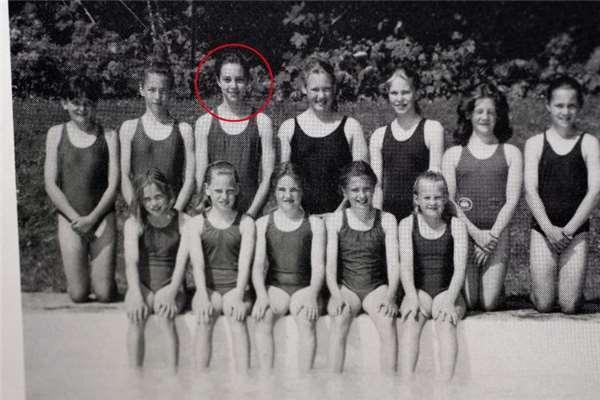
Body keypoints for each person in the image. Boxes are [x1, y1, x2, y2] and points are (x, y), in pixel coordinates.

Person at [442, 83, 522, 310]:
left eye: (491, 112)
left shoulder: (511, 153)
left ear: (499, 116)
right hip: (465, 233)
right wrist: (476, 234)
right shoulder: (454, 154)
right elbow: (449, 201)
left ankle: (496, 285)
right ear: (468, 114)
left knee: (488, 303)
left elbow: (512, 200)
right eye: (479, 111)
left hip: (497, 234)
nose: (485, 117)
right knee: (469, 301)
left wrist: (492, 237)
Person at [524, 75, 600, 314]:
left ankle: (574, 290)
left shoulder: (588, 143)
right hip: (543, 229)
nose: (565, 112)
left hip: (575, 230)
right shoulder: (535, 143)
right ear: (548, 105)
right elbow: (530, 191)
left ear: (579, 107)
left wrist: (569, 231)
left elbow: (595, 191)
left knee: (569, 305)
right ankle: (537, 290)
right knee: (544, 304)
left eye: (571, 106)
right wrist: (548, 229)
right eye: (559, 105)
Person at [44, 75, 118, 303]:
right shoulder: (56, 133)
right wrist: (76, 219)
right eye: (76, 102)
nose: (82, 109)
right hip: (70, 219)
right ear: (64, 103)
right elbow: (50, 183)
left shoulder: (109, 135)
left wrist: (93, 218)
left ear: (95, 105)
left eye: (88, 103)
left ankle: (106, 279)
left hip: (102, 217)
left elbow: (113, 184)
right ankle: (83, 277)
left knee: (104, 294)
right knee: (78, 295)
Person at [325, 161, 401, 373]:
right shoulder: (336, 220)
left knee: (387, 321)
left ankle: (390, 383)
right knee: (339, 319)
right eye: (355, 190)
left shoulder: (387, 220)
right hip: (347, 288)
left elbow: (394, 264)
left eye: (366, 189)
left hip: (376, 288)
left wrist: (391, 296)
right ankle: (333, 382)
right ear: (344, 192)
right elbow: (329, 266)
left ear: (374, 188)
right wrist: (335, 295)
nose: (361, 195)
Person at [251, 162, 326, 372]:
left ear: (302, 191)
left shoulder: (315, 224)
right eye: (282, 190)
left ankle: (305, 379)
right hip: (276, 287)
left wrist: (313, 295)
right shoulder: (263, 223)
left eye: (294, 190)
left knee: (307, 320)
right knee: (263, 318)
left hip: (305, 287)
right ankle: (266, 377)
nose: (287, 195)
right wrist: (261, 295)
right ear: (274, 192)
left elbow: (318, 265)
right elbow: (258, 266)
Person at [398, 171, 468, 381]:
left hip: (447, 290)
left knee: (446, 323)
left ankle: (446, 386)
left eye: (437, 197)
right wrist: (411, 296)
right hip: (419, 291)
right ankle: (405, 385)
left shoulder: (457, 226)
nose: (432, 202)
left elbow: (460, 269)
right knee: (410, 323)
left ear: (445, 199)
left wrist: (450, 300)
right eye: (427, 197)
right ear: (416, 199)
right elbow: (406, 267)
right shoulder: (407, 225)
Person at [186, 161, 255, 373]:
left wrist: (239, 294)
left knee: (237, 319)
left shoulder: (246, 223)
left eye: (229, 191)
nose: (224, 196)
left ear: (238, 189)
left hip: (237, 288)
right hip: (208, 288)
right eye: (218, 191)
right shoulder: (196, 223)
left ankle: (243, 379)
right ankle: (201, 379)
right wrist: (202, 294)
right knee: (204, 318)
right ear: (207, 189)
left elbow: (245, 264)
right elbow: (197, 264)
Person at [279, 56, 368, 216]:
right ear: (304, 88)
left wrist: (337, 215)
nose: (321, 96)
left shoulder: (351, 127)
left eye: (326, 89)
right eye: (315, 90)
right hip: (300, 218)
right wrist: (302, 216)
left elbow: (361, 180)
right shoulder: (288, 128)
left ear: (334, 88)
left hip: (343, 218)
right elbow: (284, 182)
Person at [124, 168, 190, 373]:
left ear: (168, 194)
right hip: (142, 285)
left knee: (165, 316)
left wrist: (172, 291)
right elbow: (131, 262)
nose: (153, 203)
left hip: (171, 285)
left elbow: (181, 263)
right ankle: (135, 376)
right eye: (147, 199)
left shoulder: (183, 221)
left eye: (158, 196)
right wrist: (136, 293)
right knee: (136, 317)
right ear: (140, 201)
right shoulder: (134, 223)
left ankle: (172, 376)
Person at [195, 50, 275, 218]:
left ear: (247, 82)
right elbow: (201, 176)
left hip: (250, 213)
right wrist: (207, 210)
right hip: (216, 215)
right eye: (227, 79)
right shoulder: (204, 123)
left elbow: (268, 177)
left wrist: (251, 215)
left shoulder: (262, 122)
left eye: (239, 80)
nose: (233, 86)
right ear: (218, 81)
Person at [120, 57, 195, 211]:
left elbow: (189, 180)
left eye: (163, 91)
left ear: (171, 92)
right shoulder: (129, 128)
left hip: (174, 212)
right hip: (140, 212)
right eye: (152, 90)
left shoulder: (184, 130)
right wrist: (137, 212)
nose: (157, 97)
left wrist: (174, 214)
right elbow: (124, 177)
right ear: (141, 89)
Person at [370, 67, 444, 221]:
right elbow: (377, 186)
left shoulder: (432, 129)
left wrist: (420, 220)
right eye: (394, 93)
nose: (400, 99)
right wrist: (378, 222)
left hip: (422, 219)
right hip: (389, 218)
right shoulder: (378, 135)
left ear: (416, 93)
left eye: (405, 92)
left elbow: (433, 182)